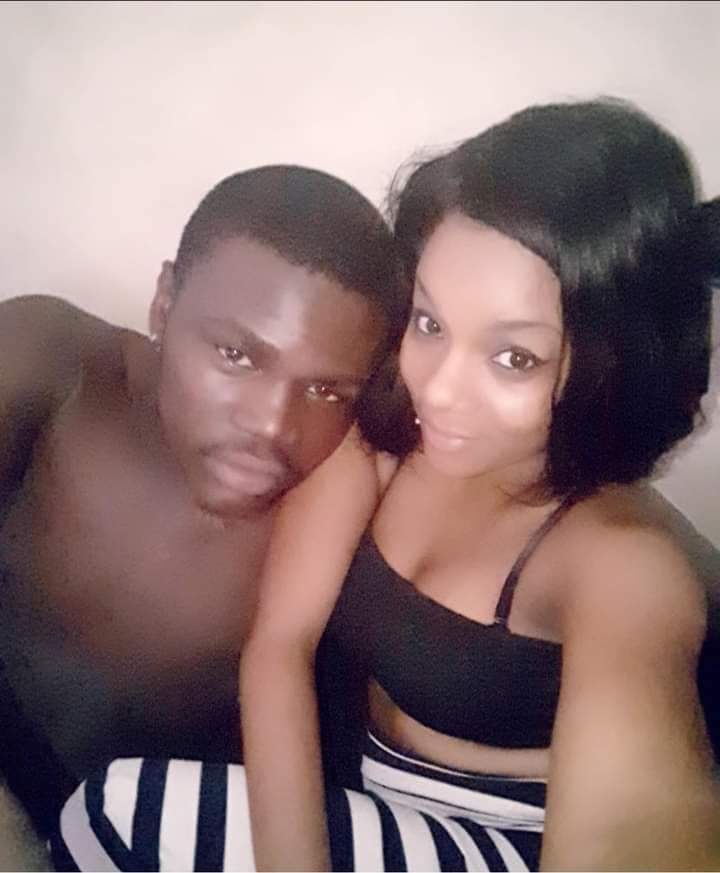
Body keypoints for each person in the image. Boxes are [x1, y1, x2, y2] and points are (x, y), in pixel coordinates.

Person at [55, 99, 720, 871]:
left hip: (510, 843)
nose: (438, 389)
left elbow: (636, 826)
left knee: (117, 813)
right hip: (385, 812)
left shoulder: (622, 560)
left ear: (609, 365)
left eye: (514, 358)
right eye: (431, 324)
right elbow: (279, 646)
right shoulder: (385, 440)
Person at [0, 163, 407, 848]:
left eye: (326, 391)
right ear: (164, 303)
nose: (273, 425)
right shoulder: (56, 364)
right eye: (236, 355)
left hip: (148, 835)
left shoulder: (341, 506)